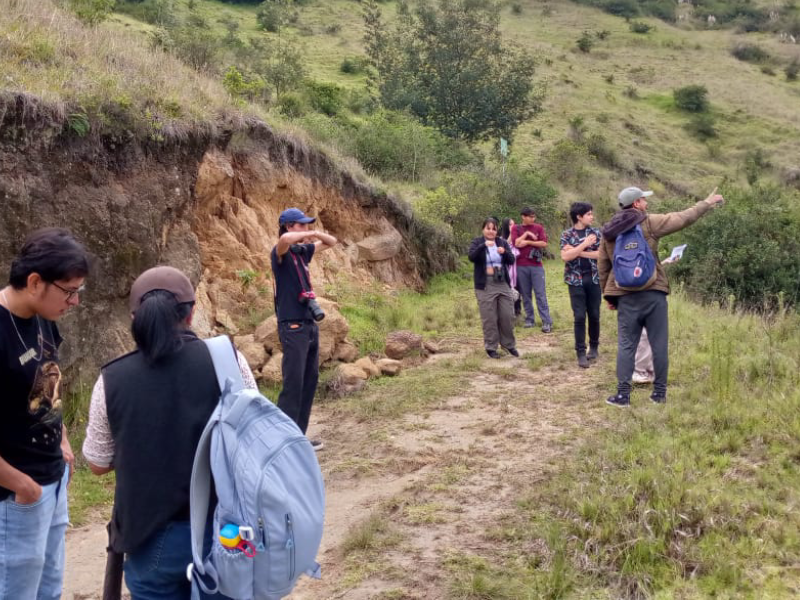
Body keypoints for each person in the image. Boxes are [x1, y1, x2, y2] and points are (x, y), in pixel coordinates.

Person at [82, 266, 257, 600]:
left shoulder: (111, 380)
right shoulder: (229, 360)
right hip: (227, 529)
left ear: (135, 319)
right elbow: (254, 435)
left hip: (151, 539)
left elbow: (97, 463)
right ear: (191, 315)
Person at [0, 227, 90, 600]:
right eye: (69, 292)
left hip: (52, 478)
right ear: (35, 282)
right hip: (15, 494)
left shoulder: (44, 319)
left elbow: (48, 379)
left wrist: (64, 440)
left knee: (49, 589)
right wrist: (22, 486)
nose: (75, 302)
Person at [599, 186, 724, 407]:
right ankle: (659, 394)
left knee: (627, 345)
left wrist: (609, 296)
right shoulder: (649, 222)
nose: (646, 203)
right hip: (653, 293)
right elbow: (683, 218)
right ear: (636, 204)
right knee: (658, 344)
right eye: (643, 200)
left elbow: (604, 267)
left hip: (625, 296)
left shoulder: (609, 231)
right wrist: (706, 203)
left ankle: (622, 396)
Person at [271, 208, 337, 449]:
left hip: (309, 324)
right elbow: (283, 241)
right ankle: (281, 441)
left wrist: (314, 233)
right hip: (292, 325)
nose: (306, 229)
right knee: (293, 384)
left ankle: (298, 439)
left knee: (309, 381)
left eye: (307, 225)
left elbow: (332, 242)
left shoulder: (303, 252)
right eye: (301, 225)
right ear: (289, 226)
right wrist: (303, 235)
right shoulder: (280, 253)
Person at [468, 218, 518, 358]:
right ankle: (491, 347)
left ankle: (509, 345)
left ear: (497, 231)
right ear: (483, 229)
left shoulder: (502, 242)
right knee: (489, 318)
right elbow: (472, 257)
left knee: (507, 316)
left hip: (502, 283)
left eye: (494, 229)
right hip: (485, 285)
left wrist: (504, 252)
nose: (491, 231)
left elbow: (512, 260)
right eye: (488, 228)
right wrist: (483, 246)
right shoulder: (477, 242)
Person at [560, 202, 602, 368]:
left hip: (593, 279)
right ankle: (580, 352)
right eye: (589, 214)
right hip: (575, 280)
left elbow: (599, 254)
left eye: (592, 213)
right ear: (579, 216)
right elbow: (565, 257)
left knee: (594, 314)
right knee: (579, 316)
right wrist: (584, 245)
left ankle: (594, 346)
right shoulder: (567, 234)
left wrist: (577, 251)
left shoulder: (596, 233)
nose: (592, 216)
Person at [510, 207, 553, 332]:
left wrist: (528, 242)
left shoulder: (538, 227)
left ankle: (546, 321)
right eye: (530, 216)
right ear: (523, 216)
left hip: (536, 266)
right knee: (526, 294)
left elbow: (544, 243)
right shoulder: (516, 228)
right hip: (521, 265)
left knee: (540, 293)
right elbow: (516, 243)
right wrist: (527, 234)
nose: (533, 219)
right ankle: (530, 319)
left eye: (534, 216)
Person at [499, 218, 522, 317]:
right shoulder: (500, 239)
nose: (513, 226)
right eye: (510, 224)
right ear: (505, 226)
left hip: (518, 267)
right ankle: (509, 312)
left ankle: (518, 310)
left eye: (514, 224)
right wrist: (511, 235)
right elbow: (505, 246)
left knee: (519, 289)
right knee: (509, 290)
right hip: (507, 268)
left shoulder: (518, 238)